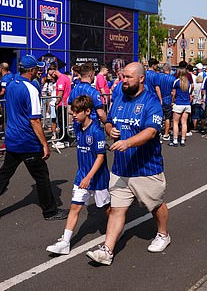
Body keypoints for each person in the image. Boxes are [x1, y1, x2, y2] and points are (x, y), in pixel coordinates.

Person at [86, 62, 169, 266]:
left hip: (146, 167)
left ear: (141, 78)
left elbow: (151, 131)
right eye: (123, 76)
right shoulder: (119, 97)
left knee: (155, 203)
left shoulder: (151, 102)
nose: (124, 80)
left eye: (129, 77)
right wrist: (108, 129)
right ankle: (107, 250)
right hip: (121, 168)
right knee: (117, 209)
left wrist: (128, 142)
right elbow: (109, 120)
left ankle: (163, 234)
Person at [0, 55, 67, 222]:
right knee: (41, 175)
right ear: (31, 70)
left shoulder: (11, 84)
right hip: (27, 140)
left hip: (12, 138)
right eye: (37, 69)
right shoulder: (30, 89)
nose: (39, 72)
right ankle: (50, 211)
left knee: (3, 175)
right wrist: (45, 144)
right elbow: (35, 120)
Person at [46, 95, 110, 255]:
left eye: (76, 112)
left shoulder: (97, 132)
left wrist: (89, 177)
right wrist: (84, 177)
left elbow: (100, 157)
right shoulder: (77, 126)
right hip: (81, 176)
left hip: (98, 178)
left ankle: (116, 228)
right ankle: (65, 242)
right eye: (72, 111)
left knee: (106, 208)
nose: (73, 115)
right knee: (75, 207)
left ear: (87, 111)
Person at [66, 63, 107, 132]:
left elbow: (69, 109)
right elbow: (100, 113)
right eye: (94, 74)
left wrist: (79, 115)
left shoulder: (73, 91)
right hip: (92, 128)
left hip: (78, 127)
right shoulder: (93, 92)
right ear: (90, 74)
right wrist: (108, 124)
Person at [48, 62, 72, 146]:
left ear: (54, 71)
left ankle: (62, 141)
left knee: (62, 123)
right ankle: (65, 140)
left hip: (62, 104)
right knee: (63, 123)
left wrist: (56, 103)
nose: (51, 77)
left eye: (51, 74)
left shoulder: (61, 79)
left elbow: (60, 93)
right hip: (64, 103)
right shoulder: (65, 77)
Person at [169, 67, 193, 147]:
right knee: (184, 123)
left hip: (178, 103)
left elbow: (174, 93)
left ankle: (175, 140)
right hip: (186, 104)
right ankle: (183, 140)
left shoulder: (176, 82)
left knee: (175, 122)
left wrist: (172, 101)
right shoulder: (188, 82)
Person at [158, 63, 176, 141]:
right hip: (168, 99)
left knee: (158, 117)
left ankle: (158, 133)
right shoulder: (172, 78)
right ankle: (166, 134)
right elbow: (174, 92)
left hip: (159, 99)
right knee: (168, 118)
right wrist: (173, 100)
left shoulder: (159, 77)